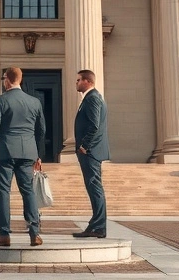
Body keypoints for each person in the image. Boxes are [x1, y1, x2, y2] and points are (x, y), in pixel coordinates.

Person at [0, 66, 46, 247]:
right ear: (20, 79)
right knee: (28, 191)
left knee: (4, 191)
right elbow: (41, 130)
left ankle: (4, 233)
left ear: (7, 79)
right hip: (28, 152)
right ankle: (34, 232)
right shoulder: (34, 102)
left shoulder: (1, 100)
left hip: (5, 151)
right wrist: (38, 154)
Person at [72, 69, 109, 239]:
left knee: (94, 187)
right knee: (94, 187)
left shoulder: (92, 98)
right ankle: (96, 225)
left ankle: (98, 227)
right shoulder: (92, 98)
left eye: (79, 80)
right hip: (91, 150)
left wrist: (84, 146)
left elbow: (94, 125)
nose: (76, 83)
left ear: (88, 81)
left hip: (90, 151)